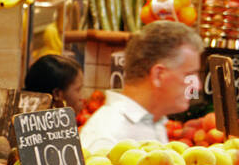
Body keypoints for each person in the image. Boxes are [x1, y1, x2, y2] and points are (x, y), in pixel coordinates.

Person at [80, 21, 203, 154]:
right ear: (158, 75)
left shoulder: (155, 122)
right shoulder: (106, 138)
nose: (198, 86)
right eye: (189, 75)